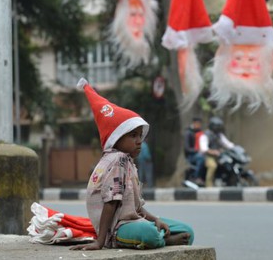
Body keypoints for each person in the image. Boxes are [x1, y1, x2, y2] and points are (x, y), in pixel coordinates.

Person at [73, 78, 194, 251]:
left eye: (140, 136)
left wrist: (155, 220)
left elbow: (135, 208)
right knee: (149, 234)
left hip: (134, 220)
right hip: (118, 228)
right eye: (133, 136)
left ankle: (159, 236)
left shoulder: (128, 161)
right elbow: (111, 203)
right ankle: (164, 241)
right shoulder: (118, 159)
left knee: (186, 231)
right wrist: (100, 242)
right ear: (115, 138)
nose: (139, 141)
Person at [199, 116, 234, 187]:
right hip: (208, 156)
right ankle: (209, 185)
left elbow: (227, 144)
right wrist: (214, 152)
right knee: (213, 166)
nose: (218, 128)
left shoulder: (219, 135)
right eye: (217, 126)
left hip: (219, 156)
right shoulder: (205, 135)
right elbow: (204, 149)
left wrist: (235, 148)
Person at [183, 117, 205, 185]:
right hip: (191, 155)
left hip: (200, 153)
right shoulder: (188, 133)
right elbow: (187, 148)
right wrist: (197, 150)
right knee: (200, 157)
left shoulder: (200, 132)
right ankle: (196, 177)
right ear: (194, 123)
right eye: (198, 124)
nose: (199, 126)